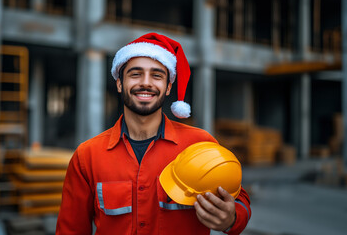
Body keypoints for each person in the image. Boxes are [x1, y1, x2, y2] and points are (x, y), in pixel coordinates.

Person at [56, 33, 251, 235]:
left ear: (168, 87)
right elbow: (70, 229)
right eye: (135, 74)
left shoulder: (200, 144)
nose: (146, 83)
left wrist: (232, 218)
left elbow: (239, 199)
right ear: (119, 83)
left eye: (156, 75)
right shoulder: (87, 156)